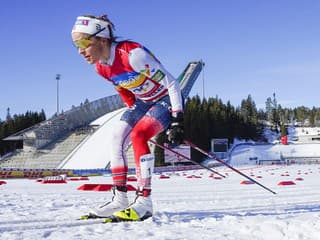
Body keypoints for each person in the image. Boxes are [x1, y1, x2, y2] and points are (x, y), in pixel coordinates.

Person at [71, 14, 184, 221]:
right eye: (75, 45)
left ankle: (144, 202)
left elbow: (172, 83)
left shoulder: (133, 55)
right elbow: (120, 86)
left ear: (102, 39)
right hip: (142, 102)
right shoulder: (101, 67)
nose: (79, 51)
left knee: (139, 135)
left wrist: (177, 119)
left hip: (164, 98)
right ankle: (120, 199)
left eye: (83, 43)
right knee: (117, 136)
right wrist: (131, 107)